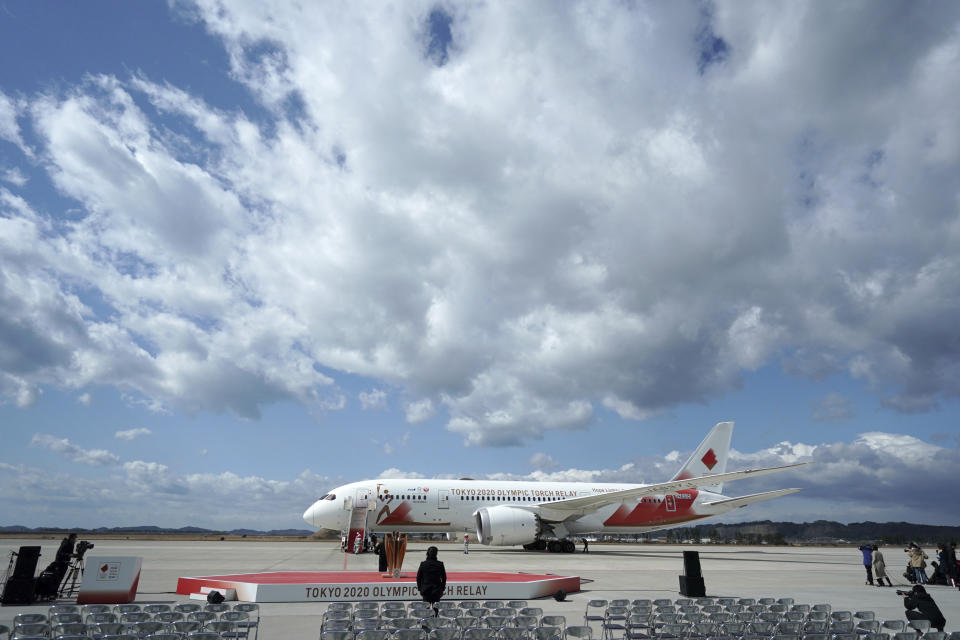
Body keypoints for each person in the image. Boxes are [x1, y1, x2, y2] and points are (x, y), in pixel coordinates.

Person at [416, 546, 446, 617]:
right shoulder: (440, 564)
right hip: (437, 591)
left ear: (427, 553)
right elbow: (444, 578)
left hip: (426, 590)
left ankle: (425, 626)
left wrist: (420, 589)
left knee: (426, 611)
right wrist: (442, 589)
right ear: (436, 554)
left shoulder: (423, 564)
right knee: (436, 611)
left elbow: (418, 577)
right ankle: (435, 624)